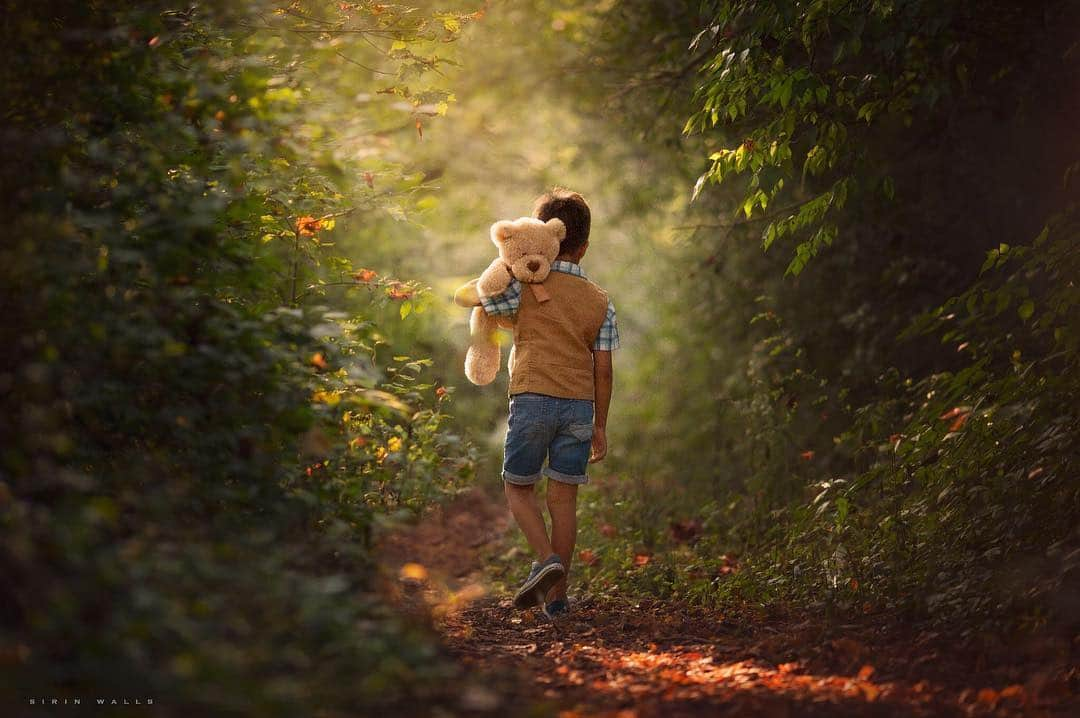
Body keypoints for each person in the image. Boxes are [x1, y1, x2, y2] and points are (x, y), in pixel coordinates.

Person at [477, 188, 619, 619]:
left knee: (518, 487)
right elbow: (604, 368)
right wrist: (600, 425)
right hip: (578, 407)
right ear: (585, 245)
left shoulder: (523, 283)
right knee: (564, 502)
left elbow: (485, 300)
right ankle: (557, 602)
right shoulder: (600, 301)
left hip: (532, 398)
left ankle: (544, 559)